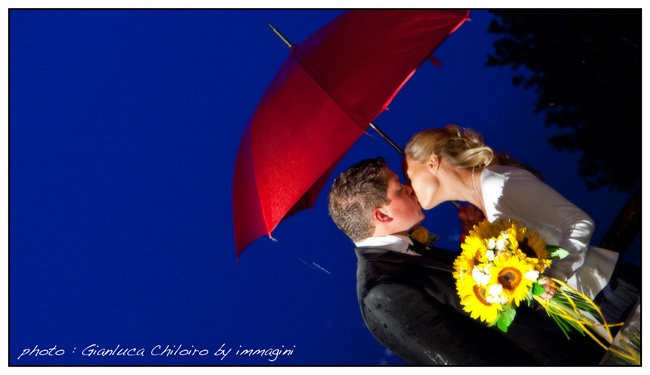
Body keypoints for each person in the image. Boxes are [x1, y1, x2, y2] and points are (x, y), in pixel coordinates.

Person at [327, 157, 605, 365]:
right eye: (399, 189)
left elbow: (462, 297)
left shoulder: (410, 250)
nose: (410, 189)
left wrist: (473, 243)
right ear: (382, 216)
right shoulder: (381, 293)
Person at [403, 124, 640, 324]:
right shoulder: (484, 207)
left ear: (433, 163)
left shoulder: (499, 184)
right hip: (583, 310)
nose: (409, 186)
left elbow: (579, 223)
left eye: (411, 176)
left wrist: (556, 277)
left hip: (608, 291)